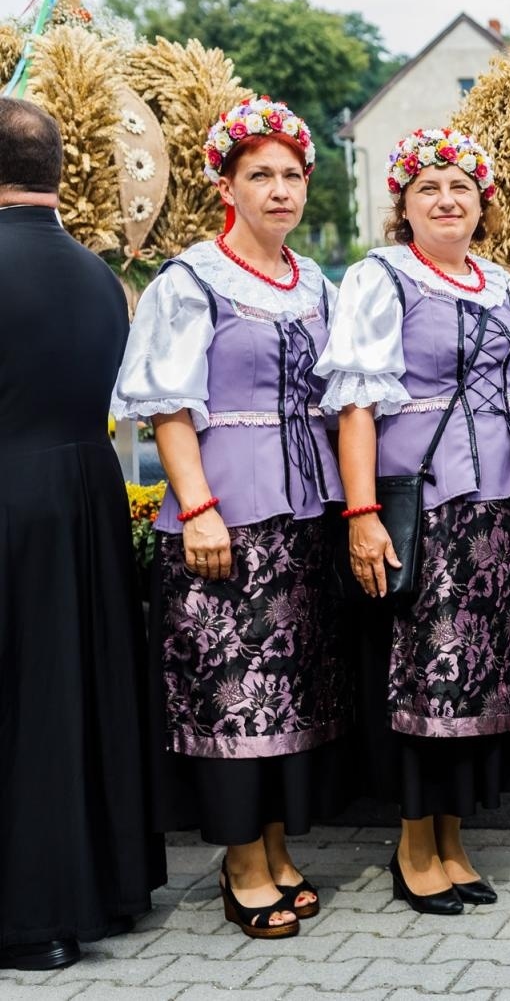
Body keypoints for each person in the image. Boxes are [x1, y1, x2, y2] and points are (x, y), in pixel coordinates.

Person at [112, 97, 347, 940]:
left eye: (291, 175)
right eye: (261, 175)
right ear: (228, 185)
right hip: (227, 516)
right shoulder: (191, 282)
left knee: (289, 686)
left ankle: (276, 844)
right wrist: (200, 507)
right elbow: (168, 405)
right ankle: (242, 861)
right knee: (232, 691)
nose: (280, 190)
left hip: (306, 511)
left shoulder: (315, 283)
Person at [316, 128, 510, 916]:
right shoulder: (381, 277)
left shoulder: (501, 285)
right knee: (424, 677)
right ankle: (414, 847)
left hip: (498, 511)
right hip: (427, 506)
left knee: (479, 678)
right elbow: (356, 404)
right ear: (404, 205)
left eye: (460, 188)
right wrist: (362, 514)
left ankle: (452, 840)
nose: (447, 201)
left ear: (483, 203)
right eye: (429, 188)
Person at [0, 99, 164, 971]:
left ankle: (31, 919)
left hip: (11, 497)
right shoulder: (102, 276)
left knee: (25, 707)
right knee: (84, 693)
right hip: (89, 493)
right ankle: (111, 887)